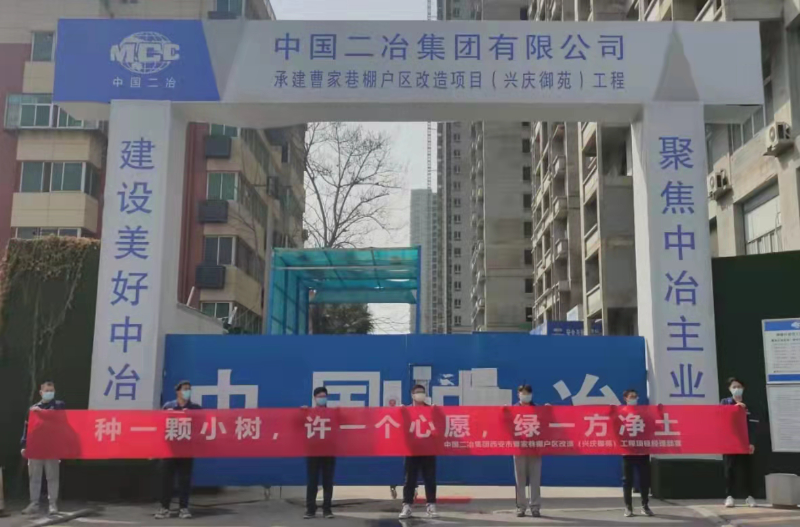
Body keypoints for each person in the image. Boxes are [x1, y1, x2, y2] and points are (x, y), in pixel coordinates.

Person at [156, 381, 202, 520]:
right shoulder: (168, 406)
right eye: (185, 389)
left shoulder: (195, 408)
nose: (187, 392)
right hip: (169, 450)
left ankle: (184, 508)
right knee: (166, 480)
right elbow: (160, 425)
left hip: (186, 450)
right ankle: (164, 508)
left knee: (184, 480)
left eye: (189, 389)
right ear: (178, 391)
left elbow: (201, 427)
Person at [20, 381, 65, 516]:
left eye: (51, 390)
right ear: (41, 392)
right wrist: (24, 445)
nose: (49, 393)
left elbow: (58, 418)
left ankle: (52, 504)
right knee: (34, 477)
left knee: (52, 477)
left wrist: (41, 413)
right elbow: (27, 428)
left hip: (52, 448)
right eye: (47, 391)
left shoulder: (59, 405)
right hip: (36, 447)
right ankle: (34, 503)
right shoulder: (33, 409)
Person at [399, 384, 437, 519]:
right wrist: (400, 413)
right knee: (409, 479)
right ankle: (407, 506)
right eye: (417, 392)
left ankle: (431, 505)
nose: (420, 394)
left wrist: (436, 412)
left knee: (430, 478)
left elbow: (439, 426)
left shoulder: (431, 409)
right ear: (412, 395)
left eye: (422, 392)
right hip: (411, 450)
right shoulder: (406, 410)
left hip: (428, 449)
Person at [721, 377, 758, 508]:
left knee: (747, 470)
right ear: (729, 389)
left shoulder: (749, 404)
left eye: (739, 387)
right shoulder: (725, 402)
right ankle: (729, 496)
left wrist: (752, 442)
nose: (737, 389)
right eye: (734, 387)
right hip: (730, 442)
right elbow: (721, 419)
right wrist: (734, 409)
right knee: (729, 469)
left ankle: (749, 496)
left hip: (745, 442)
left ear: (743, 388)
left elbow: (753, 425)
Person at [620, 389, 653, 518]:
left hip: (642, 451)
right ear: (626, 398)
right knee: (627, 481)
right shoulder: (621, 413)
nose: (634, 399)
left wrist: (660, 412)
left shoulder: (643, 412)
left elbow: (651, 425)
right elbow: (615, 428)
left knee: (644, 480)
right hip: (627, 451)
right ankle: (628, 507)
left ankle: (645, 506)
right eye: (631, 397)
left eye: (635, 397)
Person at [305, 387, 336, 519]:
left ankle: (327, 509)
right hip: (313, 450)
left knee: (327, 481)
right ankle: (310, 509)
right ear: (315, 398)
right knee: (312, 481)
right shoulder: (308, 413)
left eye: (324, 396)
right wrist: (300, 414)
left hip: (329, 450)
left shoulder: (332, 413)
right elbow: (297, 425)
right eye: (319, 396)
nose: (322, 399)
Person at [513, 384, 542, 518]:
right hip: (519, 448)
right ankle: (521, 507)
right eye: (523, 393)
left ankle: (535, 507)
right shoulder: (513, 409)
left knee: (535, 479)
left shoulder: (538, 409)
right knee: (520, 479)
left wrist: (549, 411)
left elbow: (547, 424)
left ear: (531, 395)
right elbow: (504, 424)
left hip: (535, 448)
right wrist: (503, 412)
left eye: (527, 393)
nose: (525, 396)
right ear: (518, 394)